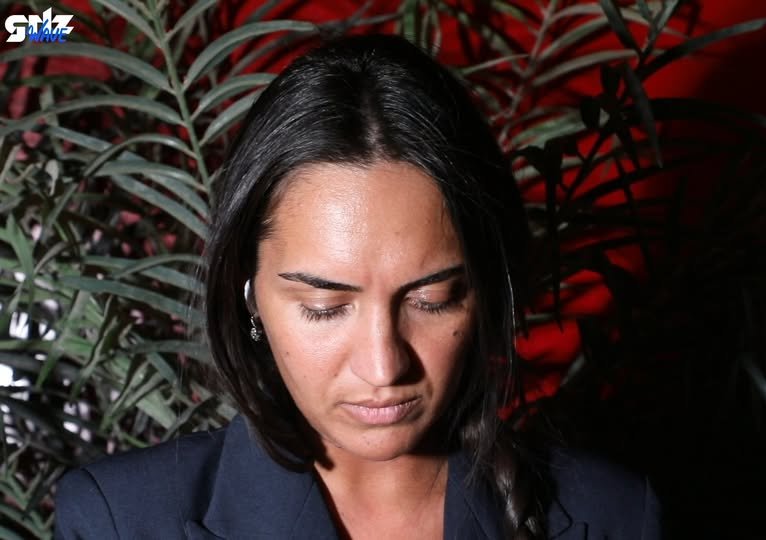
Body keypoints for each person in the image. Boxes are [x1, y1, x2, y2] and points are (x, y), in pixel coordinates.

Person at [53, 34, 660, 539]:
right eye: (325, 307)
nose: (383, 365)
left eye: (431, 300)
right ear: (250, 295)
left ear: (486, 290)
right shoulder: (119, 521)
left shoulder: (613, 515)